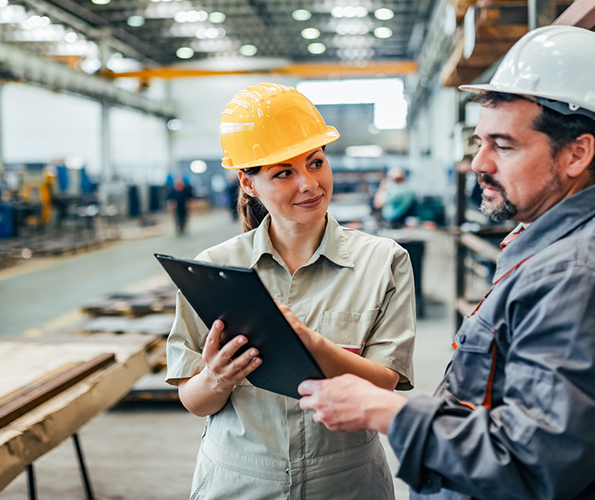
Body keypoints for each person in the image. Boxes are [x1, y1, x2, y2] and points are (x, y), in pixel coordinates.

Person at [296, 26, 595, 499]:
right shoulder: (541, 243)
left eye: (503, 146)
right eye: (480, 143)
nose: (480, 164)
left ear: (577, 153)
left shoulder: (582, 278)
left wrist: (387, 412)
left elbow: (539, 463)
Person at [165, 82, 417, 499]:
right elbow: (195, 400)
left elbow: (384, 384)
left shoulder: (383, 261)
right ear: (248, 184)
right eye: (284, 173)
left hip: (347, 482)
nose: (309, 184)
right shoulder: (213, 270)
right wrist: (216, 377)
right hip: (239, 481)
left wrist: (311, 344)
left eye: (315, 163)